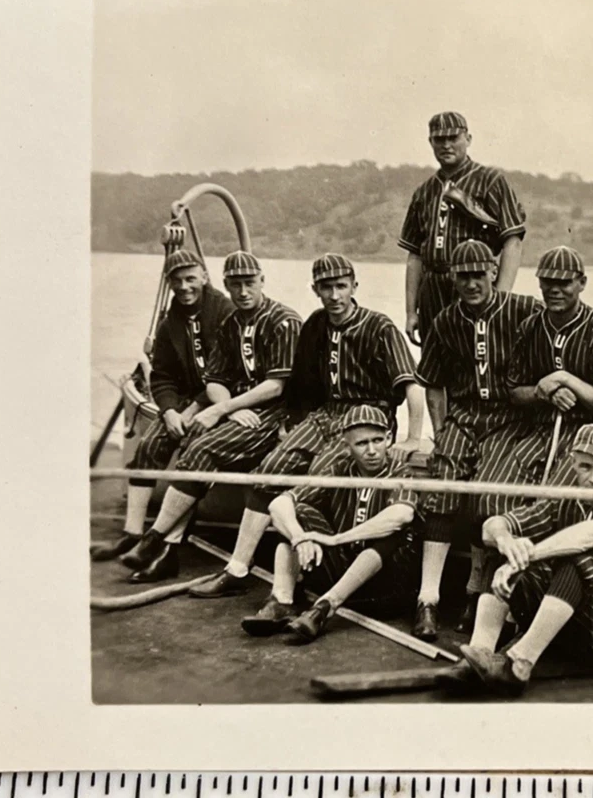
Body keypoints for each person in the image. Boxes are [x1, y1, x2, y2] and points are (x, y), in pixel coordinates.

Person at [189, 252, 424, 599]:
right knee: (270, 470)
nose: (334, 296)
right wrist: (291, 423)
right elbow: (302, 385)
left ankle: (297, 578)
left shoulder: (380, 327)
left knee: (320, 472)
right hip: (324, 414)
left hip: (366, 415)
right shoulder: (315, 324)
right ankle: (238, 568)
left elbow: (412, 387)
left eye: (341, 286)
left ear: (354, 286)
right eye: (326, 288)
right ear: (315, 289)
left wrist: (415, 437)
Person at [120, 251, 302, 582]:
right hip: (241, 407)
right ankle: (167, 551)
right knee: (192, 443)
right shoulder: (231, 323)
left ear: (262, 281)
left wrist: (223, 408)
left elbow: (276, 386)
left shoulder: (283, 321)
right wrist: (231, 405)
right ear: (226, 285)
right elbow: (215, 380)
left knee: (202, 450)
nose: (243, 292)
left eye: (249, 283)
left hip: (276, 412)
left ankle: (155, 538)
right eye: (235, 285)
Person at [413, 240, 541, 641]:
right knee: (442, 488)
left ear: (492, 271)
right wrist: (440, 431)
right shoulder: (446, 320)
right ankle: (428, 599)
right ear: (453, 278)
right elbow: (433, 385)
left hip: (510, 417)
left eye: (477, 274)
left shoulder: (524, 310)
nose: (471, 283)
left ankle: (476, 593)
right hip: (464, 414)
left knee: (491, 494)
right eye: (462, 276)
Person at [91, 249, 233, 562]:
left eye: (191, 279)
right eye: (177, 281)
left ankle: (168, 546)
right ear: (169, 283)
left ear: (204, 278)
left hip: (223, 399)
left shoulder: (225, 312)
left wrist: (193, 409)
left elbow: (229, 371)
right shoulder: (171, 323)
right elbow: (162, 375)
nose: (184, 287)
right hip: (182, 401)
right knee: (149, 444)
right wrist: (168, 410)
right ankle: (132, 534)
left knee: (194, 451)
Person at [239, 405, 422, 643]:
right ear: (347, 446)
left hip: (386, 587)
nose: (372, 451)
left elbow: (402, 515)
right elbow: (278, 504)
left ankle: (324, 608)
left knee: (390, 533)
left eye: (378, 440)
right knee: (298, 512)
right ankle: (282, 602)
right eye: (361, 443)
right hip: (345, 570)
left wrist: (335, 539)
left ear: (389, 439)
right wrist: (299, 537)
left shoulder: (401, 472)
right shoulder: (339, 469)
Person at [439, 423, 593, 697]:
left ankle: (520, 664)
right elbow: (492, 526)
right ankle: (480, 655)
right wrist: (506, 541)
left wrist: (526, 557)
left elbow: (585, 537)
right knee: (504, 548)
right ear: (574, 464)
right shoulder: (568, 499)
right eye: (586, 467)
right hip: (569, 620)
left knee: (573, 560)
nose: (592, 477)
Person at [480, 246, 593, 515]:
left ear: (582, 283)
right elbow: (514, 392)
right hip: (540, 429)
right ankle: (504, 554)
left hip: (586, 435)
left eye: (564, 282)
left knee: (554, 505)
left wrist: (564, 378)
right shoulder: (530, 326)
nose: (554, 290)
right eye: (548, 282)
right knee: (491, 497)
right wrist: (543, 393)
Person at [398, 112, 526, 349]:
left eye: (453, 137)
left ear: (468, 138)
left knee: (476, 356)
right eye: (439, 139)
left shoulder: (491, 180)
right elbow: (414, 254)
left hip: (474, 283)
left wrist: (501, 298)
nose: (446, 145)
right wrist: (410, 311)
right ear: (430, 142)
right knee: (434, 363)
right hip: (433, 287)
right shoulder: (424, 191)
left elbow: (513, 240)